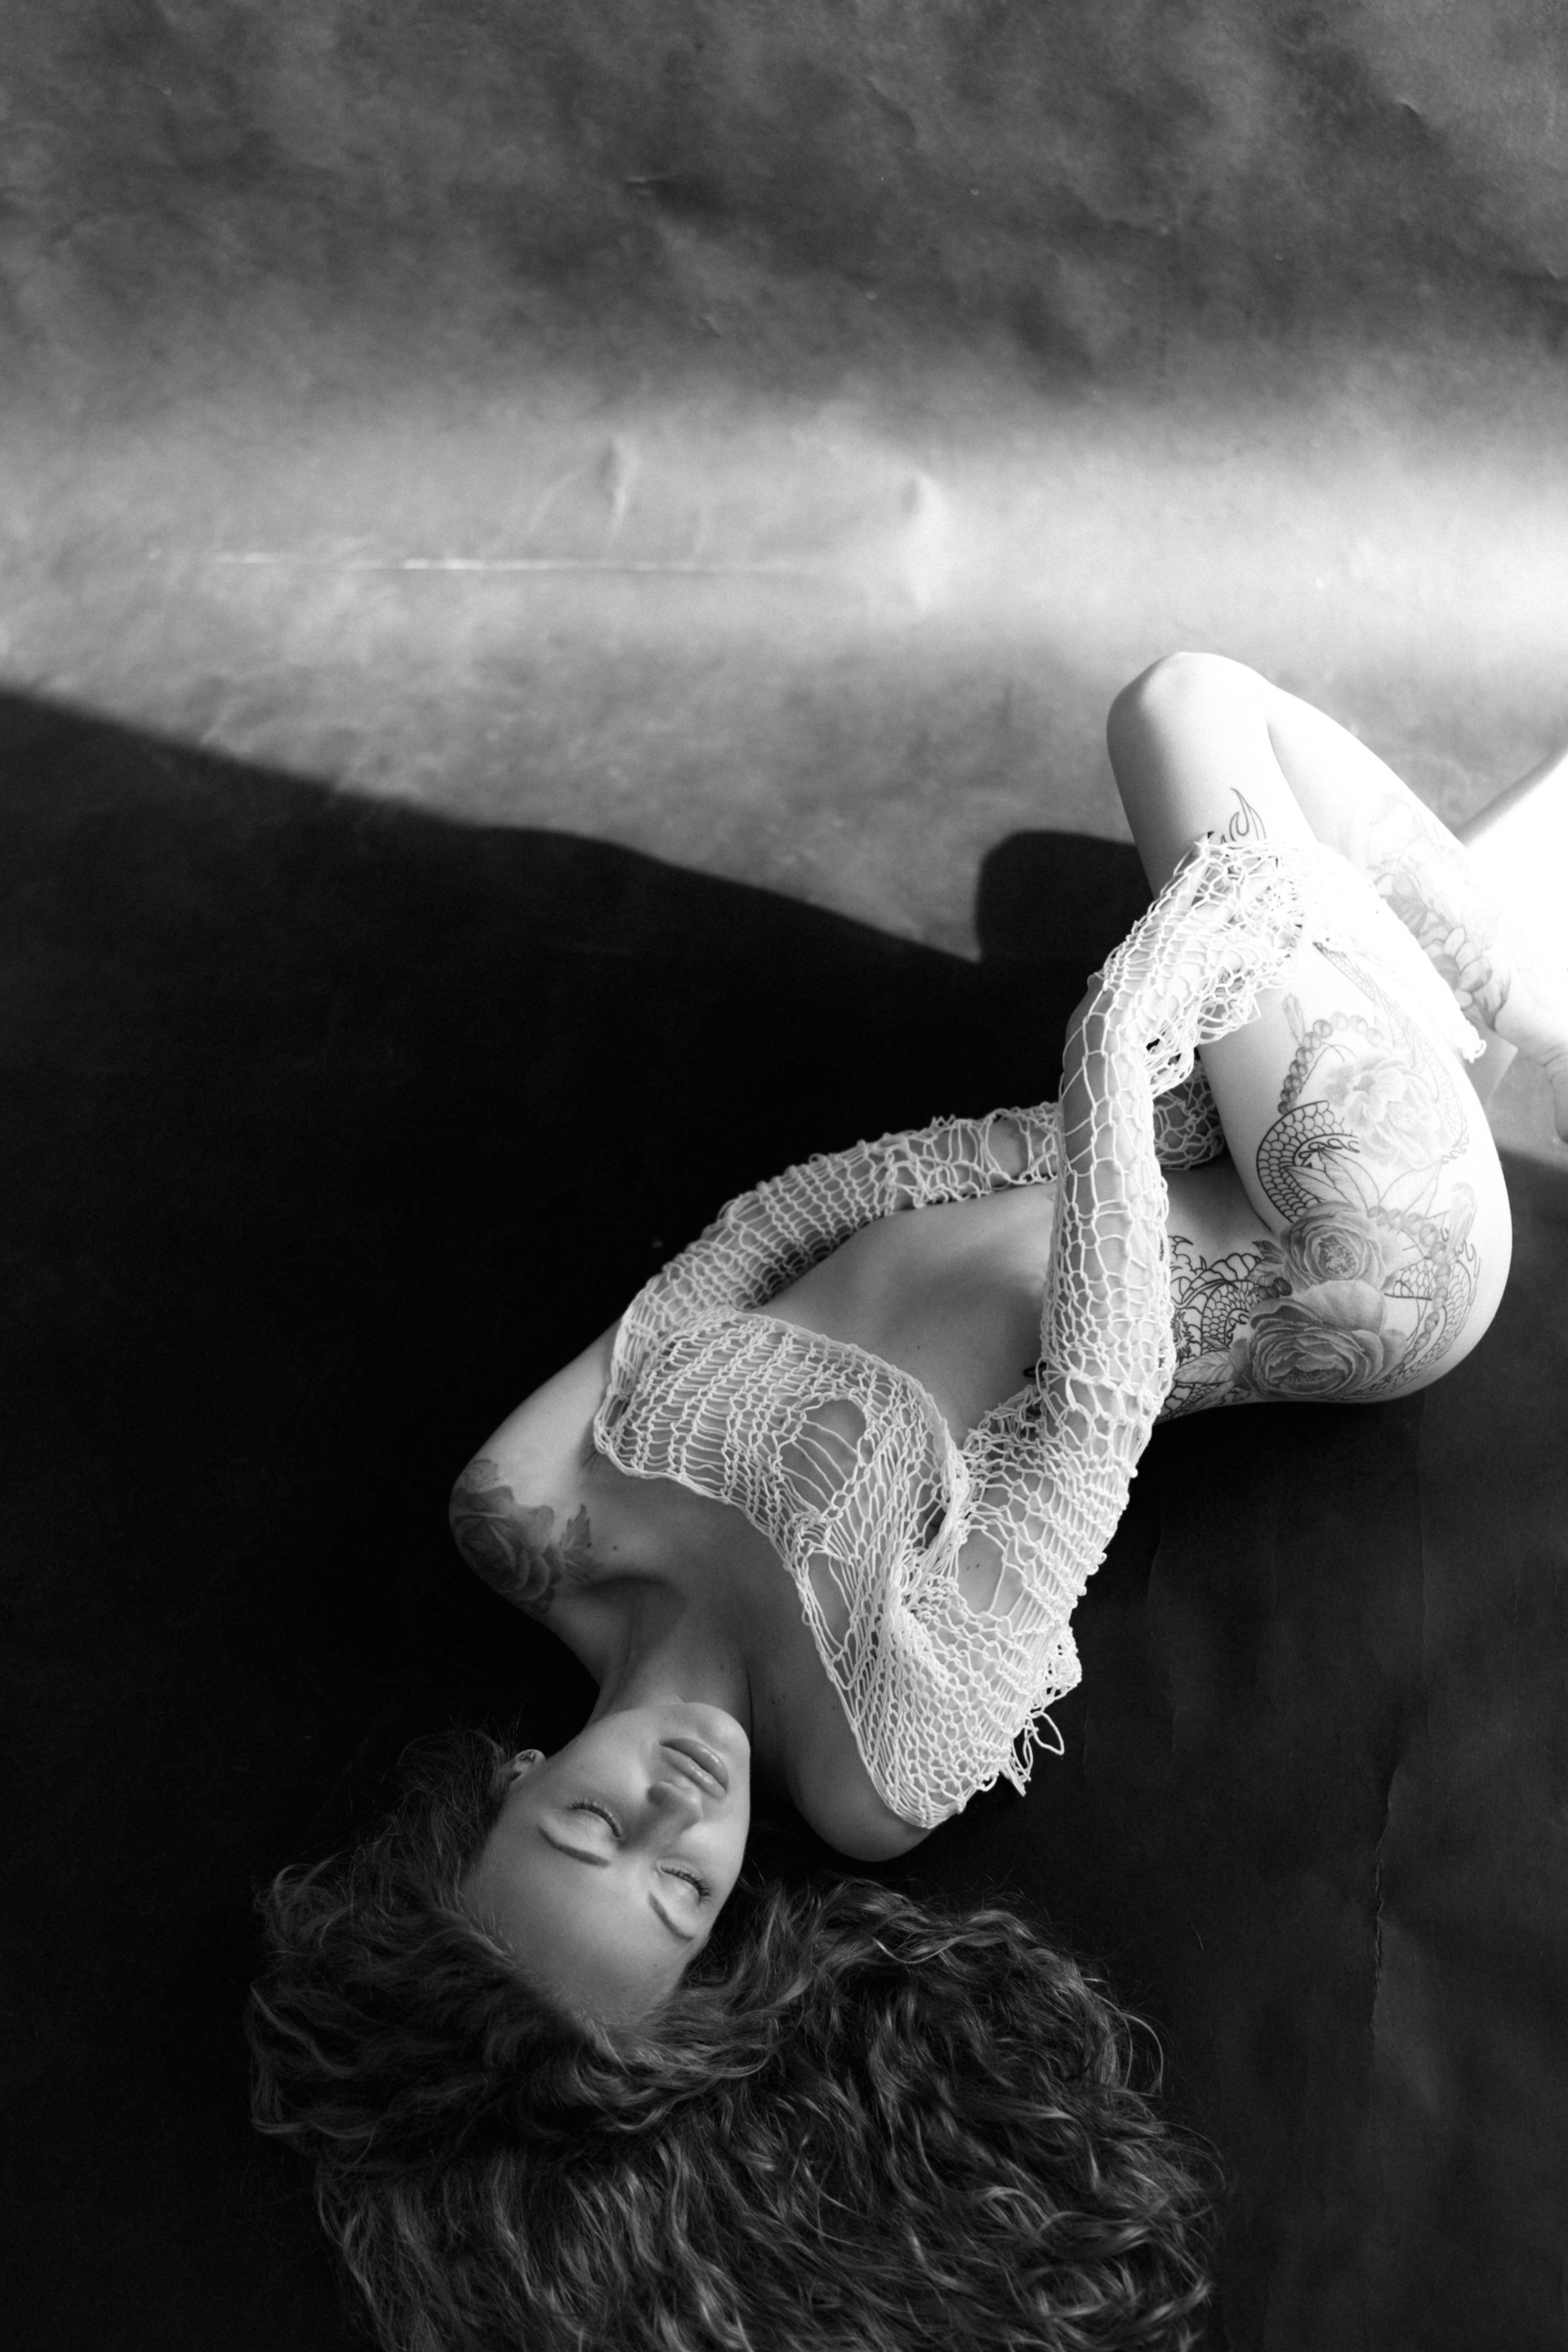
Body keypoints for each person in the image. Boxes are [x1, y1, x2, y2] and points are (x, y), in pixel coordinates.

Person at [250, 653, 1568, 2352]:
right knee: (1183, 713)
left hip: (1157, 1133)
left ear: (506, 1787)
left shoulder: (518, 1511)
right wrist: (1121, 1047)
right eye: (683, 1893)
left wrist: (1084, 1121)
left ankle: (1469, 980)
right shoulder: (874, 1770)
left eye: (590, 1828)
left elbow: (758, 1238)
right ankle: (1495, 996)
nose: (676, 1816)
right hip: (1352, 1248)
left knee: (1219, 782)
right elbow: (1101, 1399)